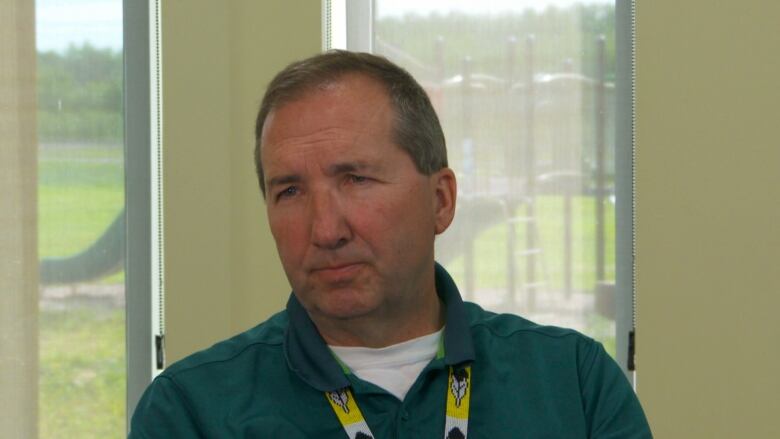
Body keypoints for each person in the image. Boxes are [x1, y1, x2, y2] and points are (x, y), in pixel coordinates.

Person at [129, 50, 652, 438]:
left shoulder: (573, 385)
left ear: (441, 199)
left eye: (355, 178)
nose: (325, 230)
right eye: (288, 191)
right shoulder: (190, 412)